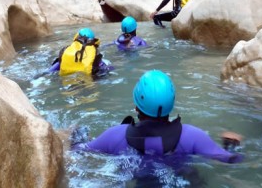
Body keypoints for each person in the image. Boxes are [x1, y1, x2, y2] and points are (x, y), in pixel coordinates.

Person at [71, 70, 243, 163]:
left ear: (137, 105)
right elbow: (231, 160)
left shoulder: (115, 136)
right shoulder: (193, 136)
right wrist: (231, 145)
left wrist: (75, 135)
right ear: (172, 102)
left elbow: (79, 150)